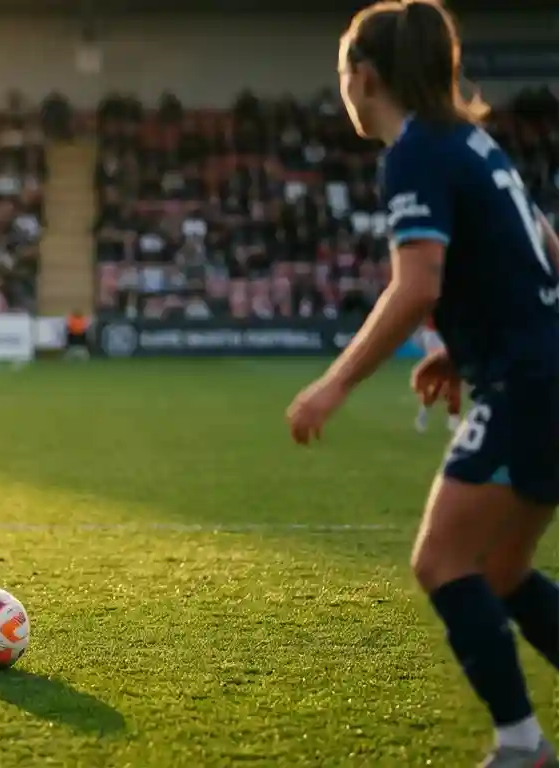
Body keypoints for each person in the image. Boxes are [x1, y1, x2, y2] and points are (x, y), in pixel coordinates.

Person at [285, 2, 559, 765]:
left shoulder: (413, 153)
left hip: (527, 384)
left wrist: (333, 385)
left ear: (363, 77)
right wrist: (469, 345)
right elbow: (546, 251)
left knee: (442, 562)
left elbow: (416, 287)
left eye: (342, 72)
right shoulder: (474, 144)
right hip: (541, 371)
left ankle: (521, 746)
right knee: (500, 571)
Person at [414, 316, 461, 433]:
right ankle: (426, 414)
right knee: (440, 378)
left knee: (452, 376)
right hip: (434, 334)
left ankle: (452, 418)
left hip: (448, 333)